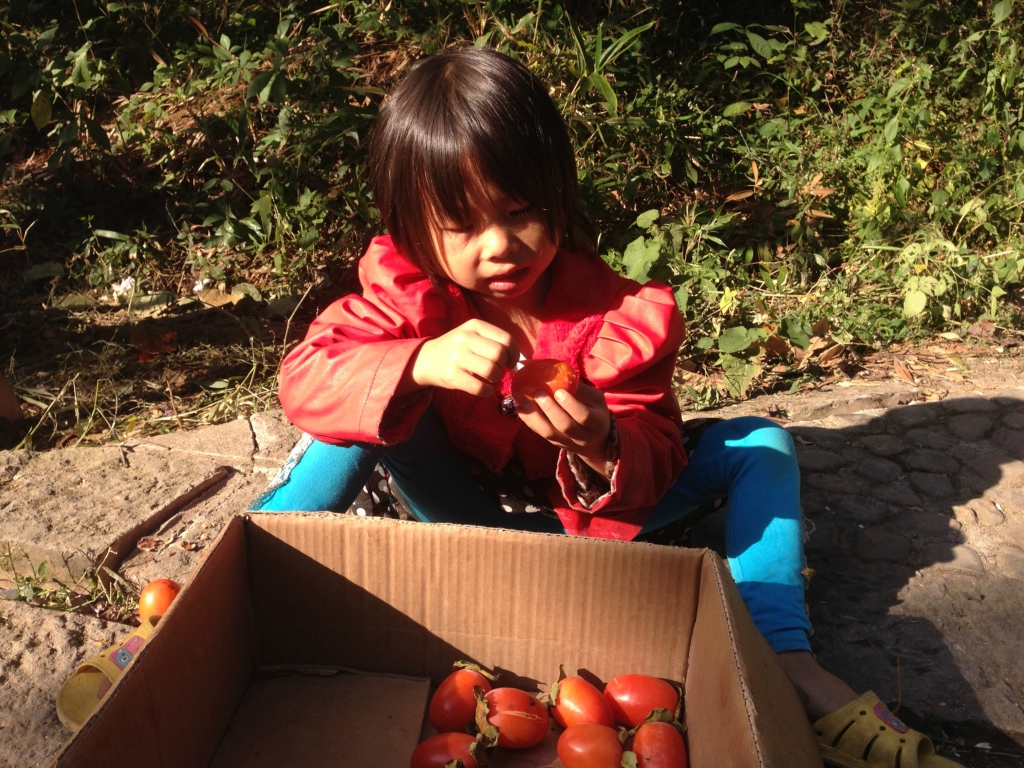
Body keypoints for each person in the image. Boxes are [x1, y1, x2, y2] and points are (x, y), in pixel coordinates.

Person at [252, 48, 959, 768]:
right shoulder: (408, 298)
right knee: (352, 417)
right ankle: (242, 580)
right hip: (461, 511)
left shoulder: (614, 316)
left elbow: (656, 450)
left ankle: (784, 661)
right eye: (462, 225)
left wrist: (602, 443)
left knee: (760, 445)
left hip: (587, 528)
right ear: (413, 226)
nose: (500, 246)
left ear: (557, 194)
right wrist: (416, 362)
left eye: (521, 211)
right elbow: (306, 381)